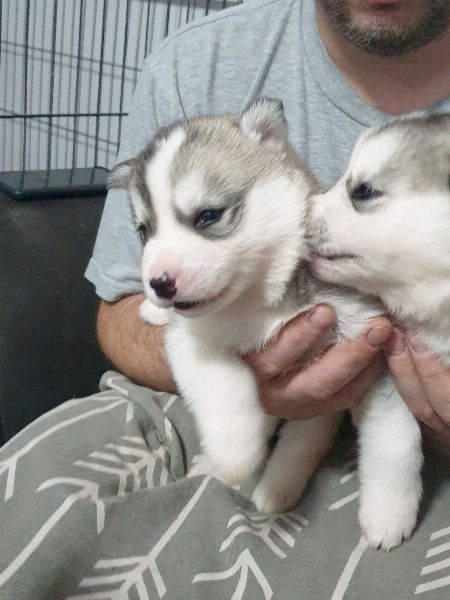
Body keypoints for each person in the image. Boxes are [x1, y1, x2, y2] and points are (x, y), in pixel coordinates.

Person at [1, 1, 449, 599]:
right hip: (179, 412)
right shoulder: (197, 62)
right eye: (149, 231)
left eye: (209, 217)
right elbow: (124, 310)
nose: (161, 262)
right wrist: (236, 378)